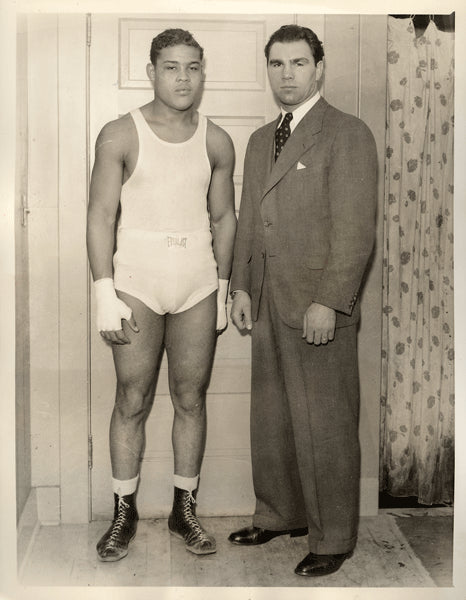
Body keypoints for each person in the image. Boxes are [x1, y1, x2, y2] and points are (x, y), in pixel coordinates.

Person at [228, 24, 378, 577]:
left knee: (327, 423)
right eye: (276, 64)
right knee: (272, 420)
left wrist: (331, 301)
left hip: (318, 308)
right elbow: (249, 220)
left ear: (319, 67)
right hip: (267, 301)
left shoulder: (347, 133)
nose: (286, 74)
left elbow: (355, 230)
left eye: (297, 63)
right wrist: (240, 285)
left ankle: (333, 536)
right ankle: (279, 515)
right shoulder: (258, 138)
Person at [86, 28, 236, 561]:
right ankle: (122, 513)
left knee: (191, 398)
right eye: (171, 66)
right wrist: (105, 290)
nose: (182, 77)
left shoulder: (216, 140)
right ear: (151, 71)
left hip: (195, 278)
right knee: (132, 398)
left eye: (193, 67)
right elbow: (101, 214)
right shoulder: (119, 134)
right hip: (137, 282)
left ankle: (183, 509)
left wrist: (221, 286)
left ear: (203, 72)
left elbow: (223, 216)